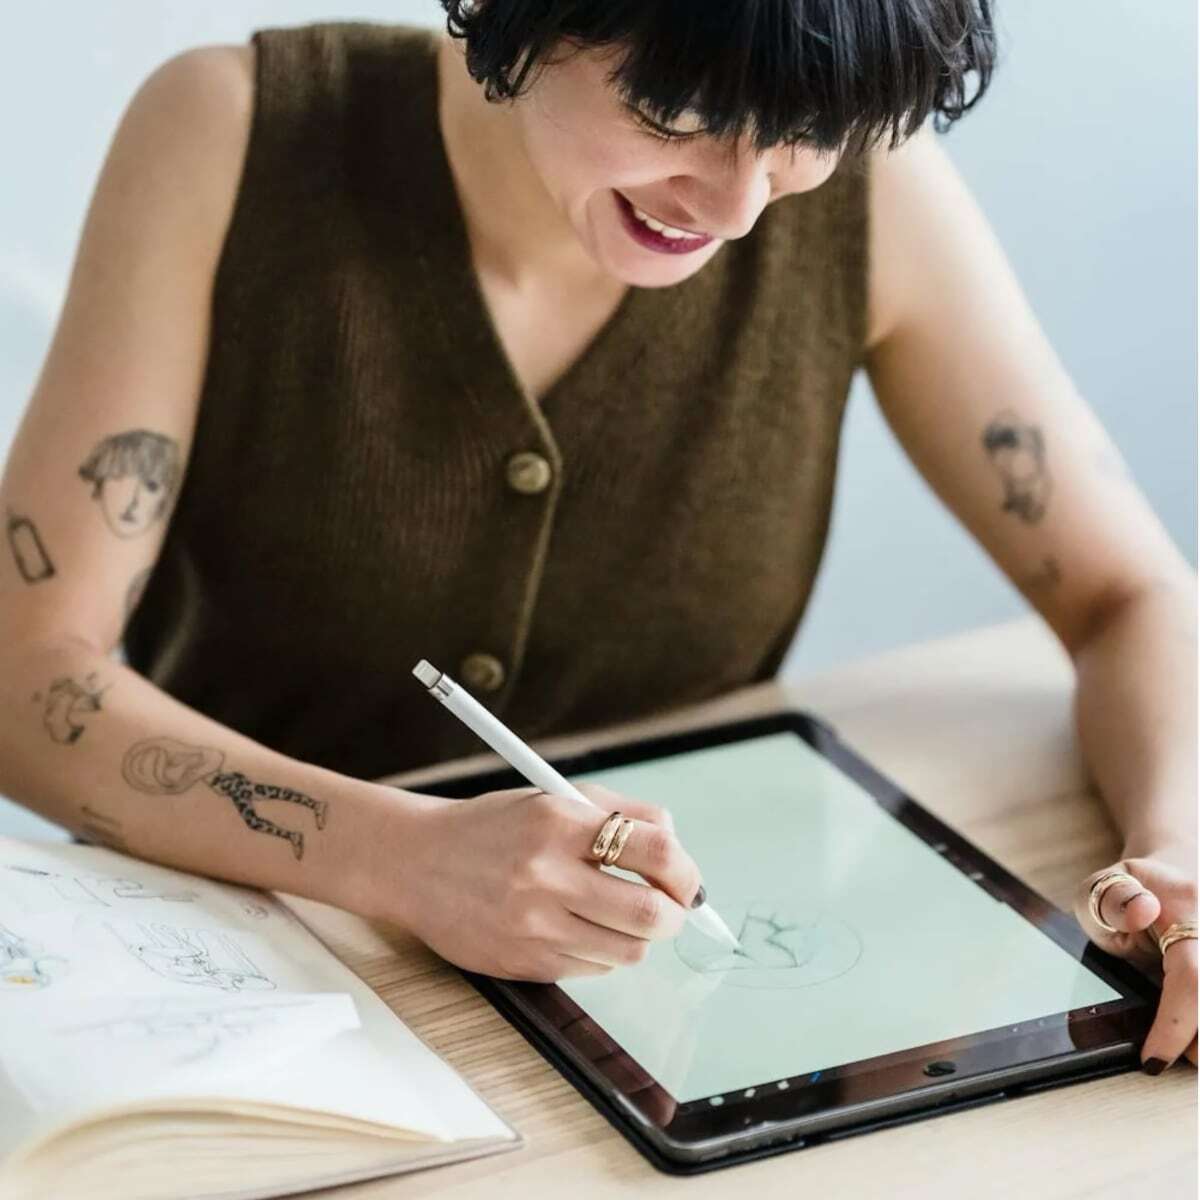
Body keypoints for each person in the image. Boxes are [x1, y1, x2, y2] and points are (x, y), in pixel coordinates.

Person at [0, 1, 1194, 1080]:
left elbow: (1128, 592)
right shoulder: (237, 135)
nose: (736, 207)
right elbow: (27, 676)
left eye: (795, 143)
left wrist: (1178, 860)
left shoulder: (878, 192)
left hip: (677, 1025)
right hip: (241, 999)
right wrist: (405, 858)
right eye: (677, 115)